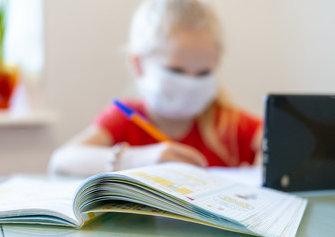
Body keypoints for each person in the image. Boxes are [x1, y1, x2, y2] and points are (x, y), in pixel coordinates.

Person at [48, 0, 262, 177]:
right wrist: (138, 159)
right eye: (176, 71)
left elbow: (276, 138)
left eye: (204, 73)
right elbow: (61, 161)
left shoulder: (229, 125)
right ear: (138, 65)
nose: (190, 83)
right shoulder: (125, 119)